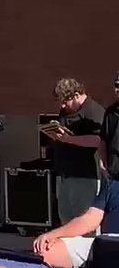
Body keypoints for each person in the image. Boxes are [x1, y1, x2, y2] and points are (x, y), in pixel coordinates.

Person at [48, 78, 106, 224]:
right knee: (66, 219)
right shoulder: (65, 111)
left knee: (83, 221)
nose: (62, 105)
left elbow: (98, 140)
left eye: (65, 101)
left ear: (75, 95)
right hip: (65, 173)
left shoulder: (94, 110)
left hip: (85, 176)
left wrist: (69, 139)